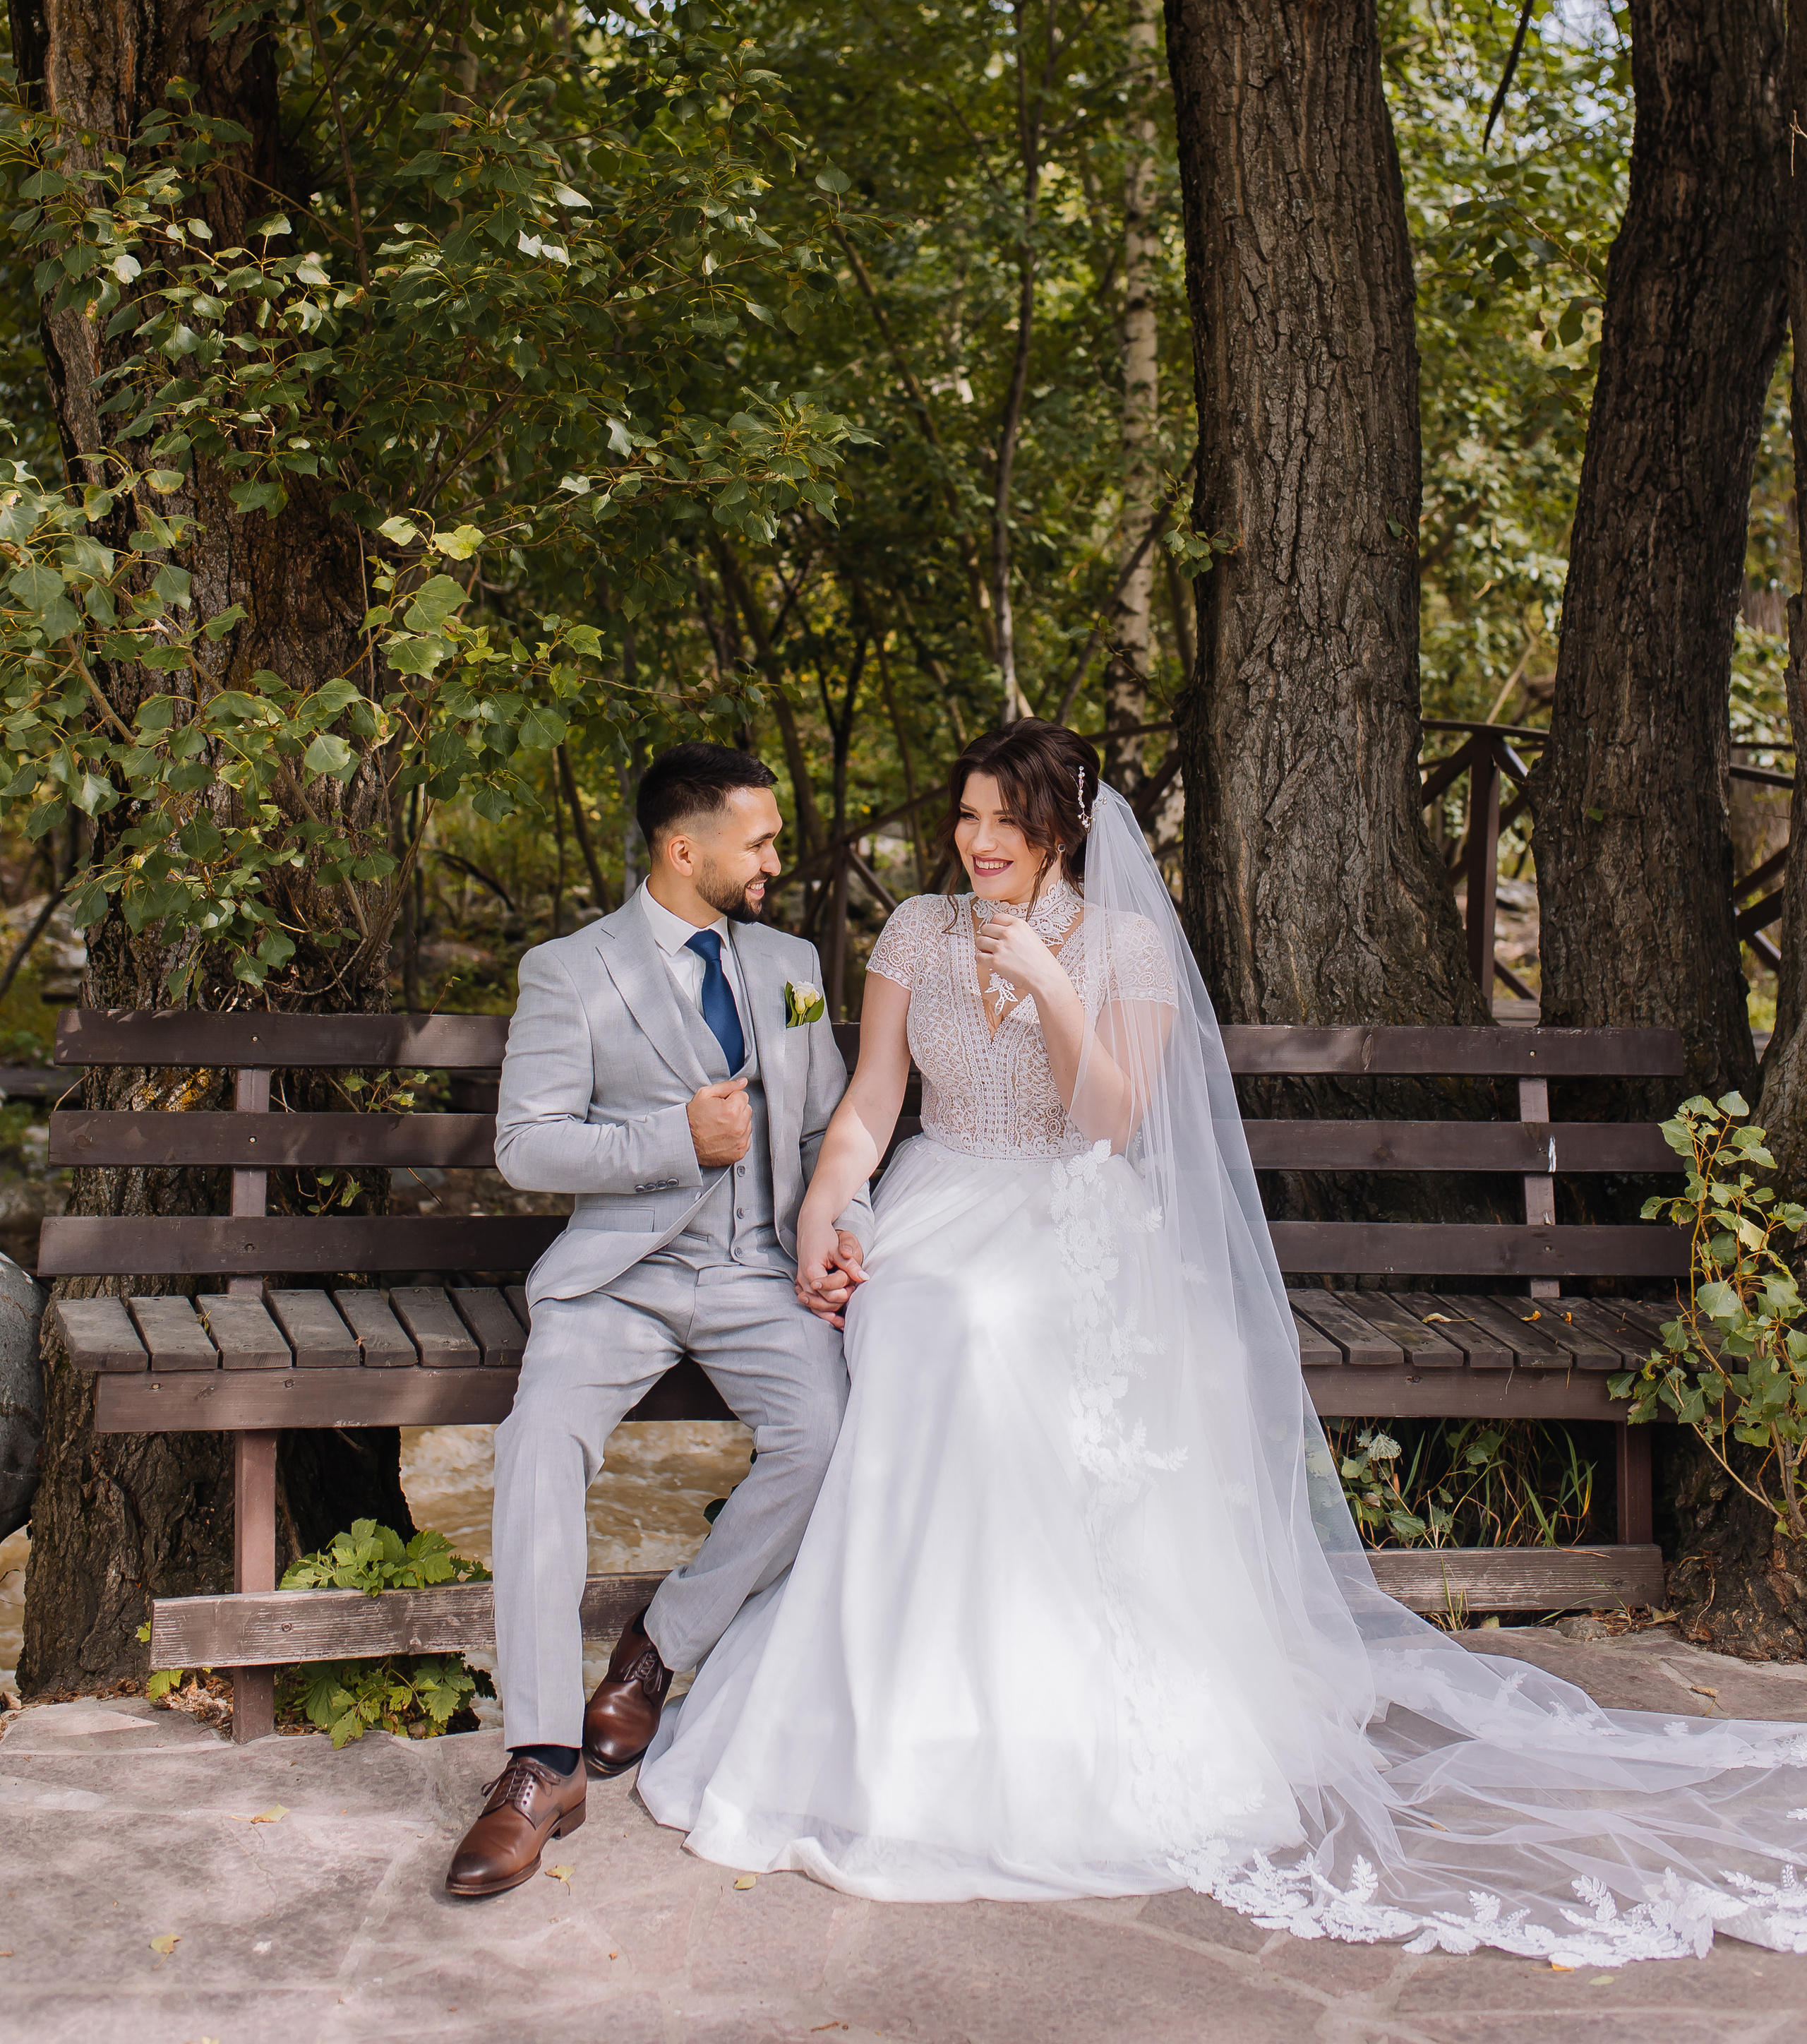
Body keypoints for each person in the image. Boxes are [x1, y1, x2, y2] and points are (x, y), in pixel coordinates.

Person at [640, 718, 1807, 1964]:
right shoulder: (918, 933)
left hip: (1071, 1204)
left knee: (996, 1325)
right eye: (967, 817)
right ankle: (897, 1700)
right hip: (943, 1194)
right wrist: (829, 1199)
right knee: (927, 1315)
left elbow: (1114, 1121)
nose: (977, 843)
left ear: (1060, 832)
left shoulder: (1127, 946)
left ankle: (1060, 1705)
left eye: (1005, 823)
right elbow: (874, 1100)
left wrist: (1045, 983)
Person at [445, 742, 869, 1899]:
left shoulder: (789, 963)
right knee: (538, 1448)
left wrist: (845, 1233)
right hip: (622, 1277)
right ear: (686, 852)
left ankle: (657, 1652)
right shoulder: (569, 970)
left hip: (757, 1275)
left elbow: (837, 1130)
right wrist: (671, 1142)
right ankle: (541, 1761)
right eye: (761, 840)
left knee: (830, 1437)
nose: (778, 858)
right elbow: (525, 1145)